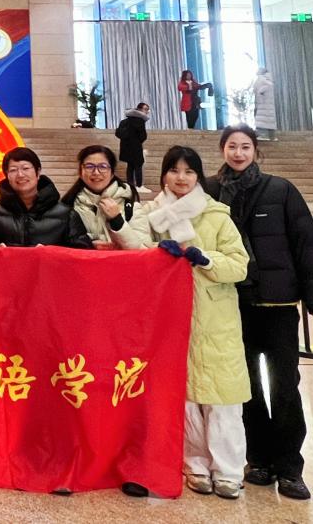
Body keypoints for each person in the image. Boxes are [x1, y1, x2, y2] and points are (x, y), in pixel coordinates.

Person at [204, 125, 313, 501]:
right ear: (222, 149)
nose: (238, 153)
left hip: (277, 306)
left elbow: (305, 242)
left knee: (284, 385)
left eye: (245, 147)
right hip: (232, 305)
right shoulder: (210, 191)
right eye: (232, 146)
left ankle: (290, 467)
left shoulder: (281, 190)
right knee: (247, 388)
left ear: (255, 151)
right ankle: (257, 459)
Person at [121, 145, 250, 500]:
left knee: (223, 397)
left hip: (214, 318)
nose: (181, 178)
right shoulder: (150, 213)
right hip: (169, 318)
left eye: (189, 171)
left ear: (198, 176)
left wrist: (205, 259)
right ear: (164, 174)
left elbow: (239, 265)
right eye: (174, 170)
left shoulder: (216, 215)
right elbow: (133, 248)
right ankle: (194, 465)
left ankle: (228, 470)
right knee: (185, 397)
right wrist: (154, 253)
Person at [0, 146, 92, 249]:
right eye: (13, 170)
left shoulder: (66, 214)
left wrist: (52, 253)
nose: (20, 174)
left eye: (25, 168)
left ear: (38, 172)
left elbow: (82, 252)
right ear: (7, 176)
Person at [59, 145, 146, 248]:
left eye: (103, 167)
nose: (96, 172)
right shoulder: (67, 207)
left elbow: (144, 250)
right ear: (80, 172)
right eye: (89, 166)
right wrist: (88, 244)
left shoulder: (131, 206)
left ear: (112, 172)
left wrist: (117, 221)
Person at [114, 102, 150, 191]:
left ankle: (130, 185)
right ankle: (139, 186)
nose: (147, 111)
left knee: (130, 166)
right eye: (145, 109)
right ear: (139, 109)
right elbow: (143, 136)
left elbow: (118, 134)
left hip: (126, 148)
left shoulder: (124, 121)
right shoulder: (140, 121)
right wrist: (137, 141)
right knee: (138, 166)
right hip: (136, 147)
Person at [252, 68, 276, 140]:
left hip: (262, 103)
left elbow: (257, 89)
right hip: (266, 104)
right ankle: (271, 136)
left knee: (262, 119)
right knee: (268, 119)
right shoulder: (268, 79)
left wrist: (260, 91)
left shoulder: (261, 79)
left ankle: (263, 135)